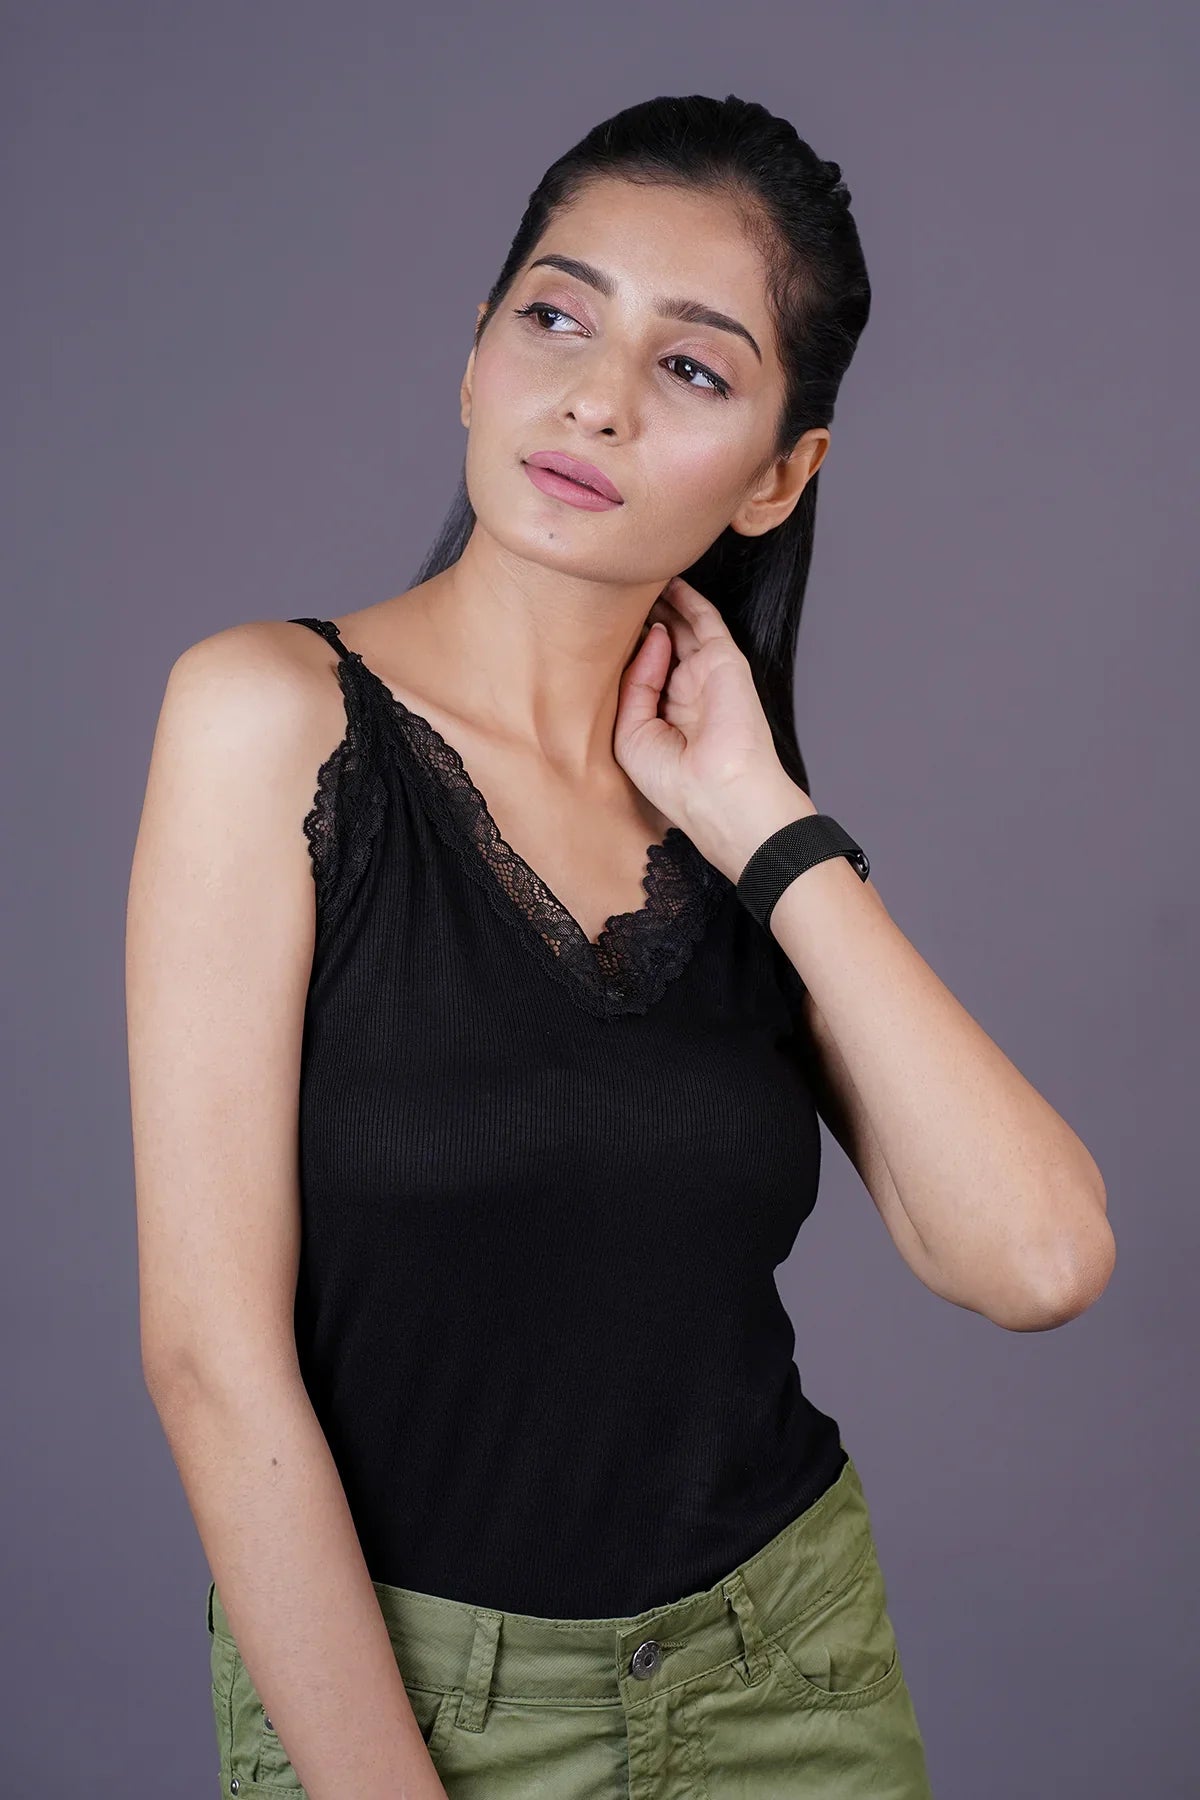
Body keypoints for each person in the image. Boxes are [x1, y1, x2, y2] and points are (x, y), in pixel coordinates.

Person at [126, 92, 1113, 1800]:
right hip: (412, 1704)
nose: (595, 396)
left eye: (695, 368)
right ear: (475, 356)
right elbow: (212, 1361)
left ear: (780, 477)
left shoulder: (741, 838)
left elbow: (1039, 1260)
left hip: (787, 1681)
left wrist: (765, 822)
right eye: (558, 318)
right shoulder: (265, 719)